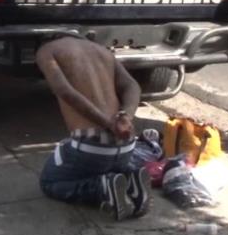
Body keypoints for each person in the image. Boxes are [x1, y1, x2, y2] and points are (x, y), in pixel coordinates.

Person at [36, 35, 151, 221]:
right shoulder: (102, 50)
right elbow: (132, 85)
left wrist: (108, 123)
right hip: (127, 143)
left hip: (91, 146)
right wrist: (125, 116)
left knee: (50, 182)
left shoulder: (47, 51)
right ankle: (131, 181)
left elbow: (65, 91)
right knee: (84, 155)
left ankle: (101, 187)